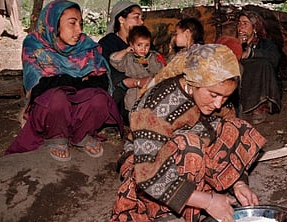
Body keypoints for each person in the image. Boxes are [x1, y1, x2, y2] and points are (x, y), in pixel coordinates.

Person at [111, 44, 266, 222]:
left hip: (186, 159)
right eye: (213, 95)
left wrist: (237, 183)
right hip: (145, 166)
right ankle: (165, 212)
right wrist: (208, 201)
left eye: (225, 97)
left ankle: (200, 195)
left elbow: (222, 137)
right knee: (191, 145)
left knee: (234, 127)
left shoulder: (216, 98)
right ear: (193, 83)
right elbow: (146, 172)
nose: (218, 104)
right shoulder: (156, 107)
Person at [5, 0, 123, 162]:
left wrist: (63, 79)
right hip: (52, 111)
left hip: (79, 107)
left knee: (99, 99)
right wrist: (81, 79)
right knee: (57, 98)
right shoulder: (36, 45)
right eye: (72, 23)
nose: (79, 30)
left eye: (80, 23)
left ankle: (83, 134)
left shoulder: (87, 46)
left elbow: (102, 82)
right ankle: (56, 135)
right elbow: (41, 87)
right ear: (54, 24)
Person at [99, 1, 144, 125]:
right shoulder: (107, 43)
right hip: (121, 92)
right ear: (121, 19)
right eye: (136, 17)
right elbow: (107, 71)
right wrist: (136, 82)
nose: (141, 22)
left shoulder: (143, 42)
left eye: (142, 18)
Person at [109, 25, 166, 120]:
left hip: (153, 91)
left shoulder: (154, 57)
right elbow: (114, 60)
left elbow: (163, 70)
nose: (143, 49)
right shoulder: (128, 58)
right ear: (131, 44)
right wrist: (126, 51)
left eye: (146, 45)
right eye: (139, 45)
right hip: (135, 93)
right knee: (136, 115)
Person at [236, 10, 282, 125]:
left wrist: (250, 53)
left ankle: (261, 105)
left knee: (263, 64)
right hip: (241, 82)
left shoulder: (266, 44)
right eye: (239, 23)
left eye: (245, 23)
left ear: (255, 27)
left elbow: (274, 58)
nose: (241, 27)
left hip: (258, 82)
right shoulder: (234, 43)